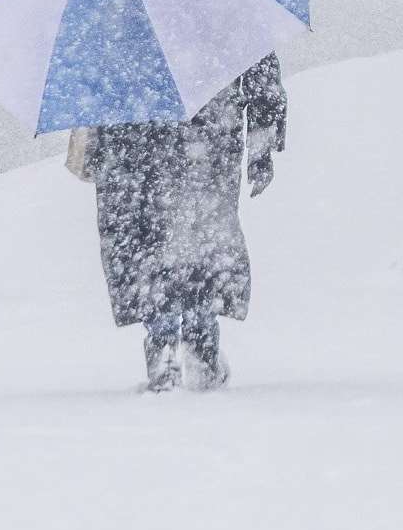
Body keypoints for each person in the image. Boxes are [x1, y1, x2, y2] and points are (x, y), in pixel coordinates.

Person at [84, 54, 287, 392]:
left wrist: (97, 145)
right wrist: (262, 145)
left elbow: (90, 79)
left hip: (132, 135)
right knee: (202, 237)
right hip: (207, 129)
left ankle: (162, 341)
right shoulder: (222, 6)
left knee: (144, 242)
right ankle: (200, 340)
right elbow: (258, 66)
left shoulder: (111, 8)